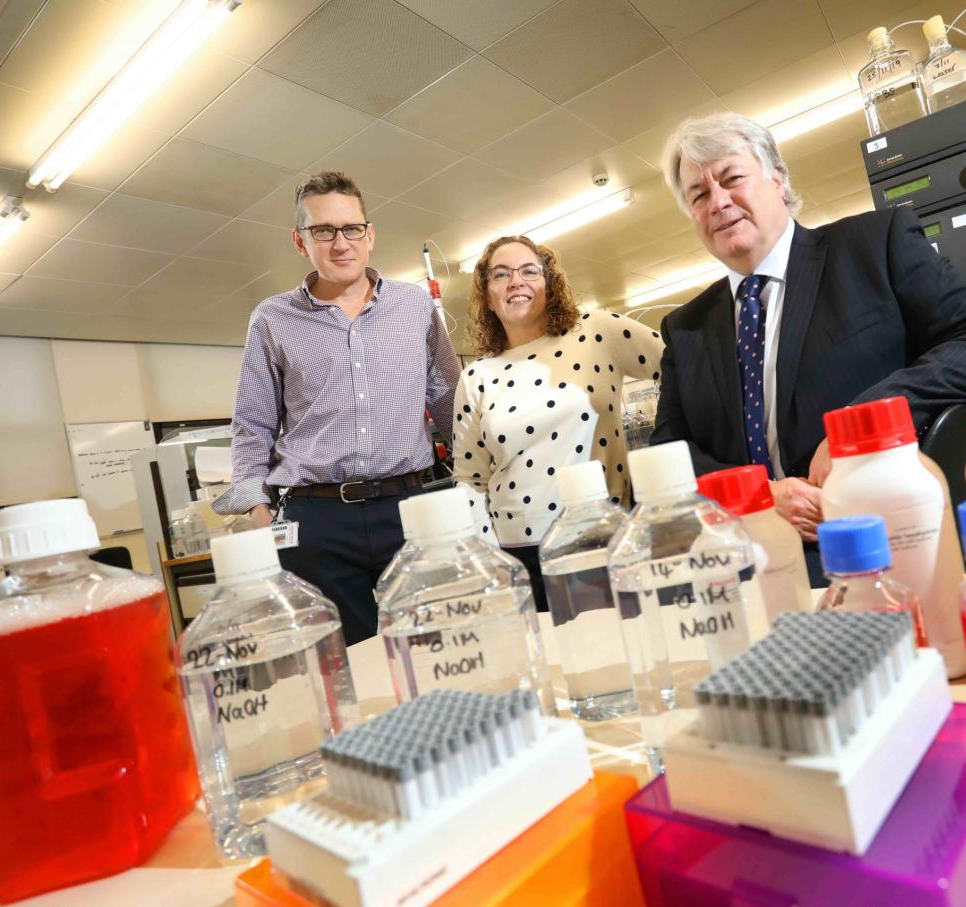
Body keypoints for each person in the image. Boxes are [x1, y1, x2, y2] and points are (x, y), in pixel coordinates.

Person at [650, 113, 966, 579]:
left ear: (777, 178)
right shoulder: (685, 327)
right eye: (698, 194)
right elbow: (667, 454)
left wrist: (859, 426)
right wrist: (754, 494)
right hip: (751, 567)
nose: (717, 201)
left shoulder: (873, 247)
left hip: (889, 553)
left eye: (732, 178)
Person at [213, 171, 459, 644]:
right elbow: (252, 422)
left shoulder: (414, 306)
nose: (340, 243)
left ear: (370, 235)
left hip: (409, 507)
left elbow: (447, 396)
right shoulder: (272, 319)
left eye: (351, 229)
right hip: (316, 520)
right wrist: (259, 512)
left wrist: (474, 475)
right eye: (323, 231)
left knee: (433, 646)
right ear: (300, 241)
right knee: (342, 663)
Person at [452, 236, 664, 610]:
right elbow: (471, 479)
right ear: (487, 296)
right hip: (519, 552)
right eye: (500, 275)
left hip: (603, 533)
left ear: (550, 283)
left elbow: (680, 370)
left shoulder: (598, 331)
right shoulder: (476, 376)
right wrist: (489, 565)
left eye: (529, 271)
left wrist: (666, 455)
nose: (515, 281)